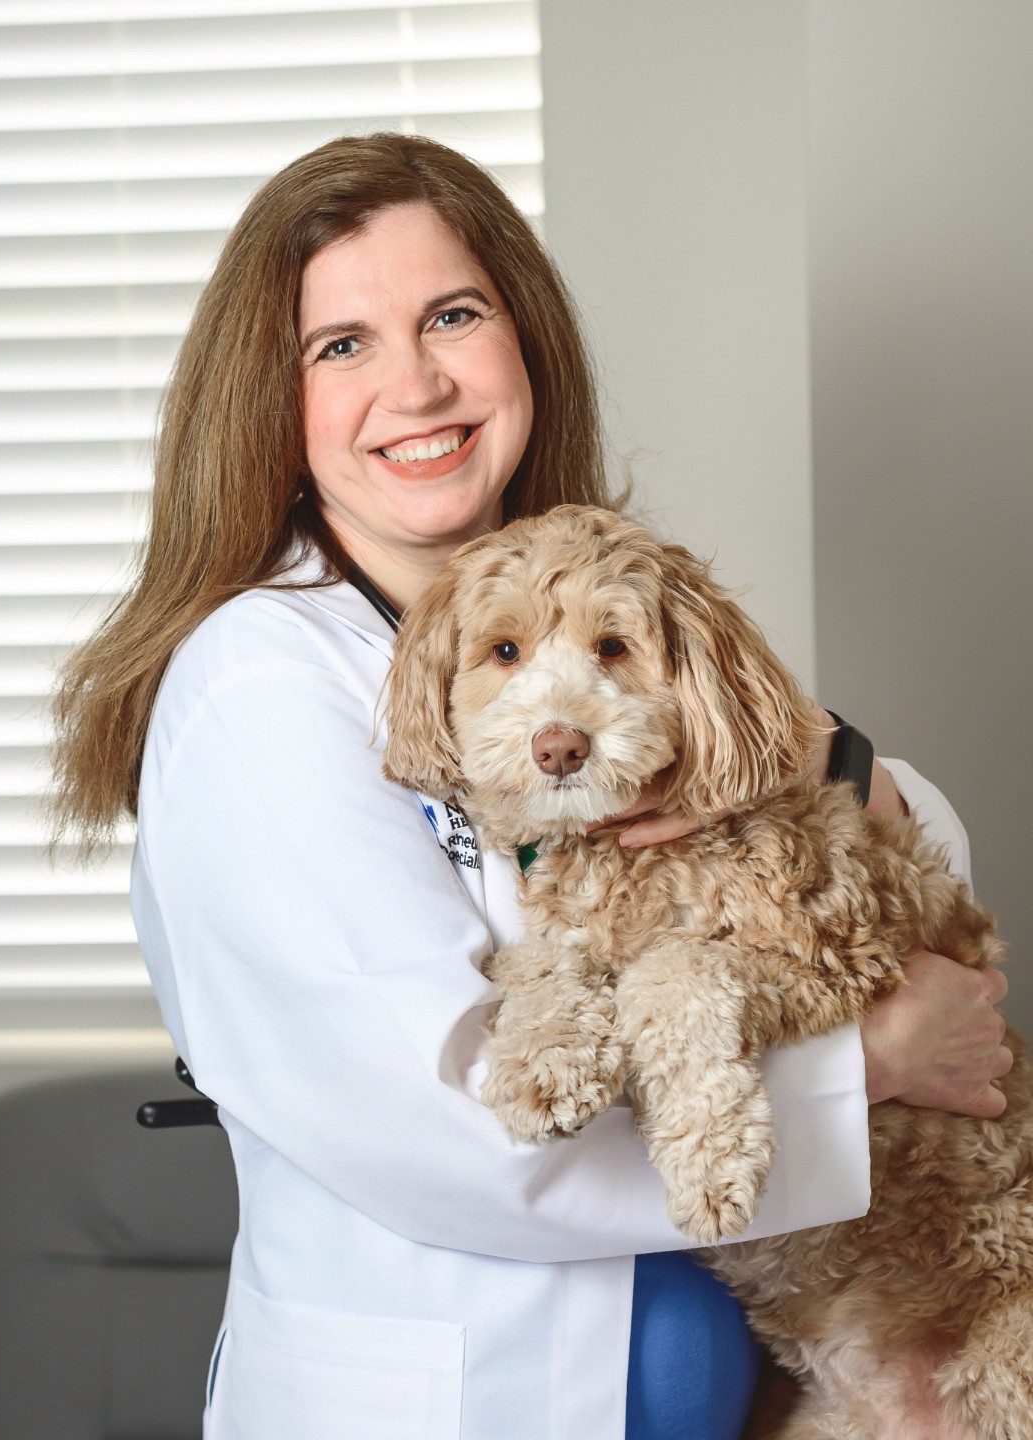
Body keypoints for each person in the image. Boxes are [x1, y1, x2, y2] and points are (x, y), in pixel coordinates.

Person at [52, 134, 1011, 1440]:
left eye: (455, 315)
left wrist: (822, 763)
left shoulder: (589, 603)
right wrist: (875, 1064)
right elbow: (472, 1128)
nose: (419, 384)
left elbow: (917, 851)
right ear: (272, 406)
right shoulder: (260, 687)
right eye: (343, 345)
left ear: (526, 342)